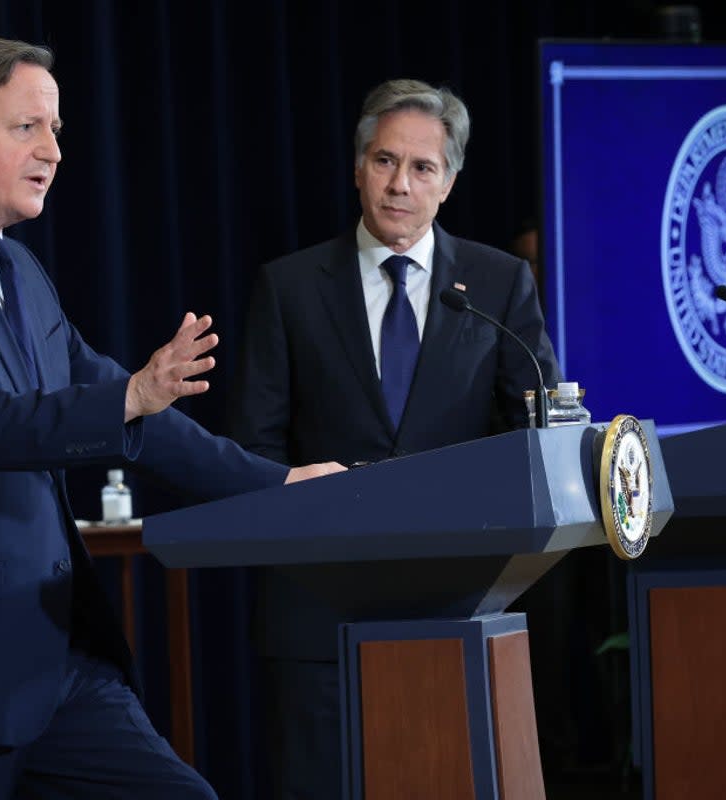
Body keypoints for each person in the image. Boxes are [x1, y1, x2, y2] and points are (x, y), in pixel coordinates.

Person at [0, 35, 343, 800]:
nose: (53, 150)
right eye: (26, 128)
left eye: (57, 131)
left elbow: (119, 402)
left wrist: (277, 483)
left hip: (54, 662)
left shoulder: (15, 266)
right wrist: (129, 398)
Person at [229, 78, 559, 799]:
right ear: (357, 168)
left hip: (460, 599)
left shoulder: (498, 284)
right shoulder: (288, 287)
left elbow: (533, 431)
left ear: (449, 181)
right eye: (384, 162)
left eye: (422, 168)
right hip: (321, 605)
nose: (399, 185)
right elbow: (255, 443)